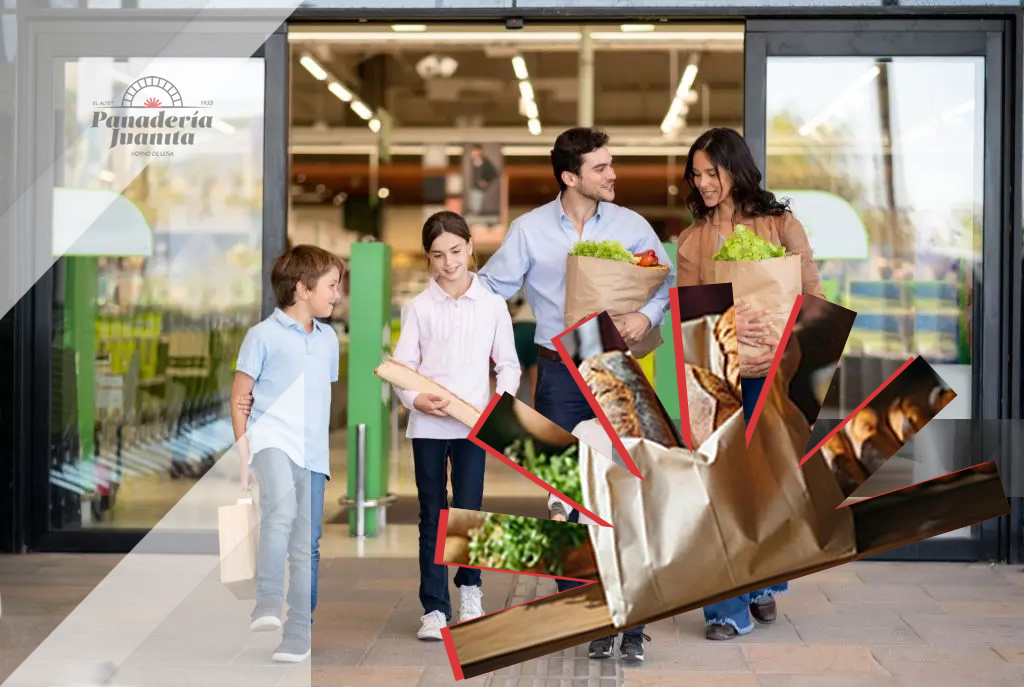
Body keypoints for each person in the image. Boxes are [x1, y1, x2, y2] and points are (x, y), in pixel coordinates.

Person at [479, 127, 673, 663]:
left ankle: (632, 618)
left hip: (616, 366)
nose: (613, 175)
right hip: (558, 372)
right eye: (601, 168)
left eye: (611, 165)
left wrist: (644, 315)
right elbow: (493, 291)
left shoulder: (633, 225)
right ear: (570, 177)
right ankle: (589, 616)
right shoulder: (530, 230)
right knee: (567, 493)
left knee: (627, 488)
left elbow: (667, 281)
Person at [676, 127, 825, 641]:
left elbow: (813, 297)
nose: (703, 182)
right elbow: (690, 315)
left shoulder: (781, 225)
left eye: (710, 172)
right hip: (719, 374)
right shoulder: (692, 239)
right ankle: (725, 610)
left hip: (776, 370)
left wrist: (775, 321)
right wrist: (726, 324)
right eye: (695, 174)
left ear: (735, 169)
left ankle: (763, 580)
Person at [391, 211, 521, 641]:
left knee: (468, 510)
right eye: (437, 255)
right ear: (428, 259)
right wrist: (415, 400)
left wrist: (497, 408)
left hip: (473, 426)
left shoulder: (491, 304)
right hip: (427, 426)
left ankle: (470, 591)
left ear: (469, 246)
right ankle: (434, 608)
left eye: (454, 250)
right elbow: (402, 368)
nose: (448, 262)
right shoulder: (419, 308)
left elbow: (508, 365)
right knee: (433, 513)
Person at [229, 245, 343, 663]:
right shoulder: (262, 336)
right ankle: (268, 601)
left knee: (307, 543)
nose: (337, 295)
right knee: (280, 514)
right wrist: (244, 457)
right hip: (271, 441)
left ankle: (298, 631)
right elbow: (240, 397)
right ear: (302, 288)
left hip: (312, 453)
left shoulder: (328, 339)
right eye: (331, 286)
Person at [509, 287, 538, 400]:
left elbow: (513, 304)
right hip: (539, 329)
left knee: (512, 383)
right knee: (536, 386)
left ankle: (504, 414)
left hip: (519, 329)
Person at [467, 144, 499, 216]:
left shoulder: (486, 163)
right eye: (473, 152)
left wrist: (486, 181)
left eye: (475, 151)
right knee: (474, 205)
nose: (473, 153)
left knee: (477, 206)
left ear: (480, 152)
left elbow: (495, 174)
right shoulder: (473, 162)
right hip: (474, 186)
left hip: (479, 188)